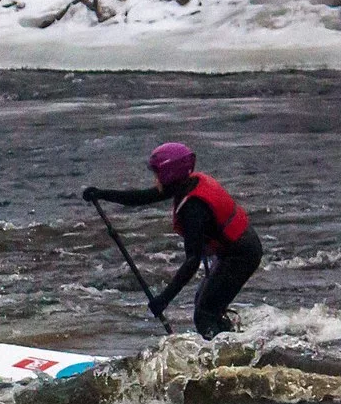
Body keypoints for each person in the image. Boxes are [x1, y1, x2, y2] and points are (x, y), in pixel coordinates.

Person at [84, 143, 262, 338]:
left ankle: (225, 358)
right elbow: (143, 198)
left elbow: (192, 261)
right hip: (235, 250)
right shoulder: (186, 184)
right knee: (204, 302)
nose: (155, 179)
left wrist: (164, 299)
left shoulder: (193, 209)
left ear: (169, 175)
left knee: (204, 314)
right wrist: (102, 194)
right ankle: (229, 340)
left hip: (241, 255)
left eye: (157, 174)